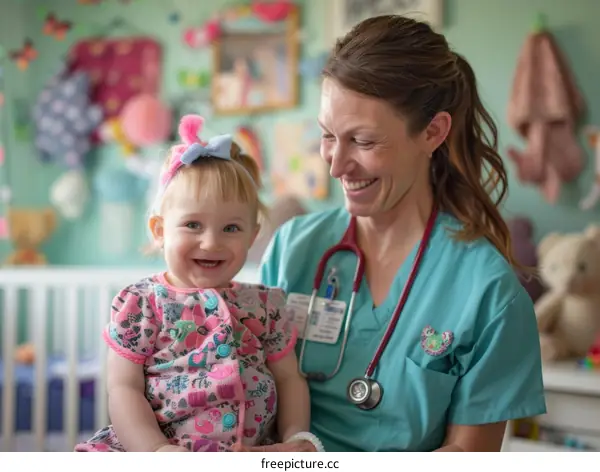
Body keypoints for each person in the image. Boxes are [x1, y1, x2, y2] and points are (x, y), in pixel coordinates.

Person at [257, 15, 547, 452]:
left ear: (433, 132)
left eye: (364, 141)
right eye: (328, 136)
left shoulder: (489, 292)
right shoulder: (292, 249)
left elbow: (468, 456)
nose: (336, 165)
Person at [75, 115, 314, 452]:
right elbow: (123, 389)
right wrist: (155, 450)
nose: (211, 242)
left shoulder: (265, 306)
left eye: (231, 228)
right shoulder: (142, 304)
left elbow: (290, 380)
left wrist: (295, 438)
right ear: (159, 231)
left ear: (252, 235)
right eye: (192, 224)